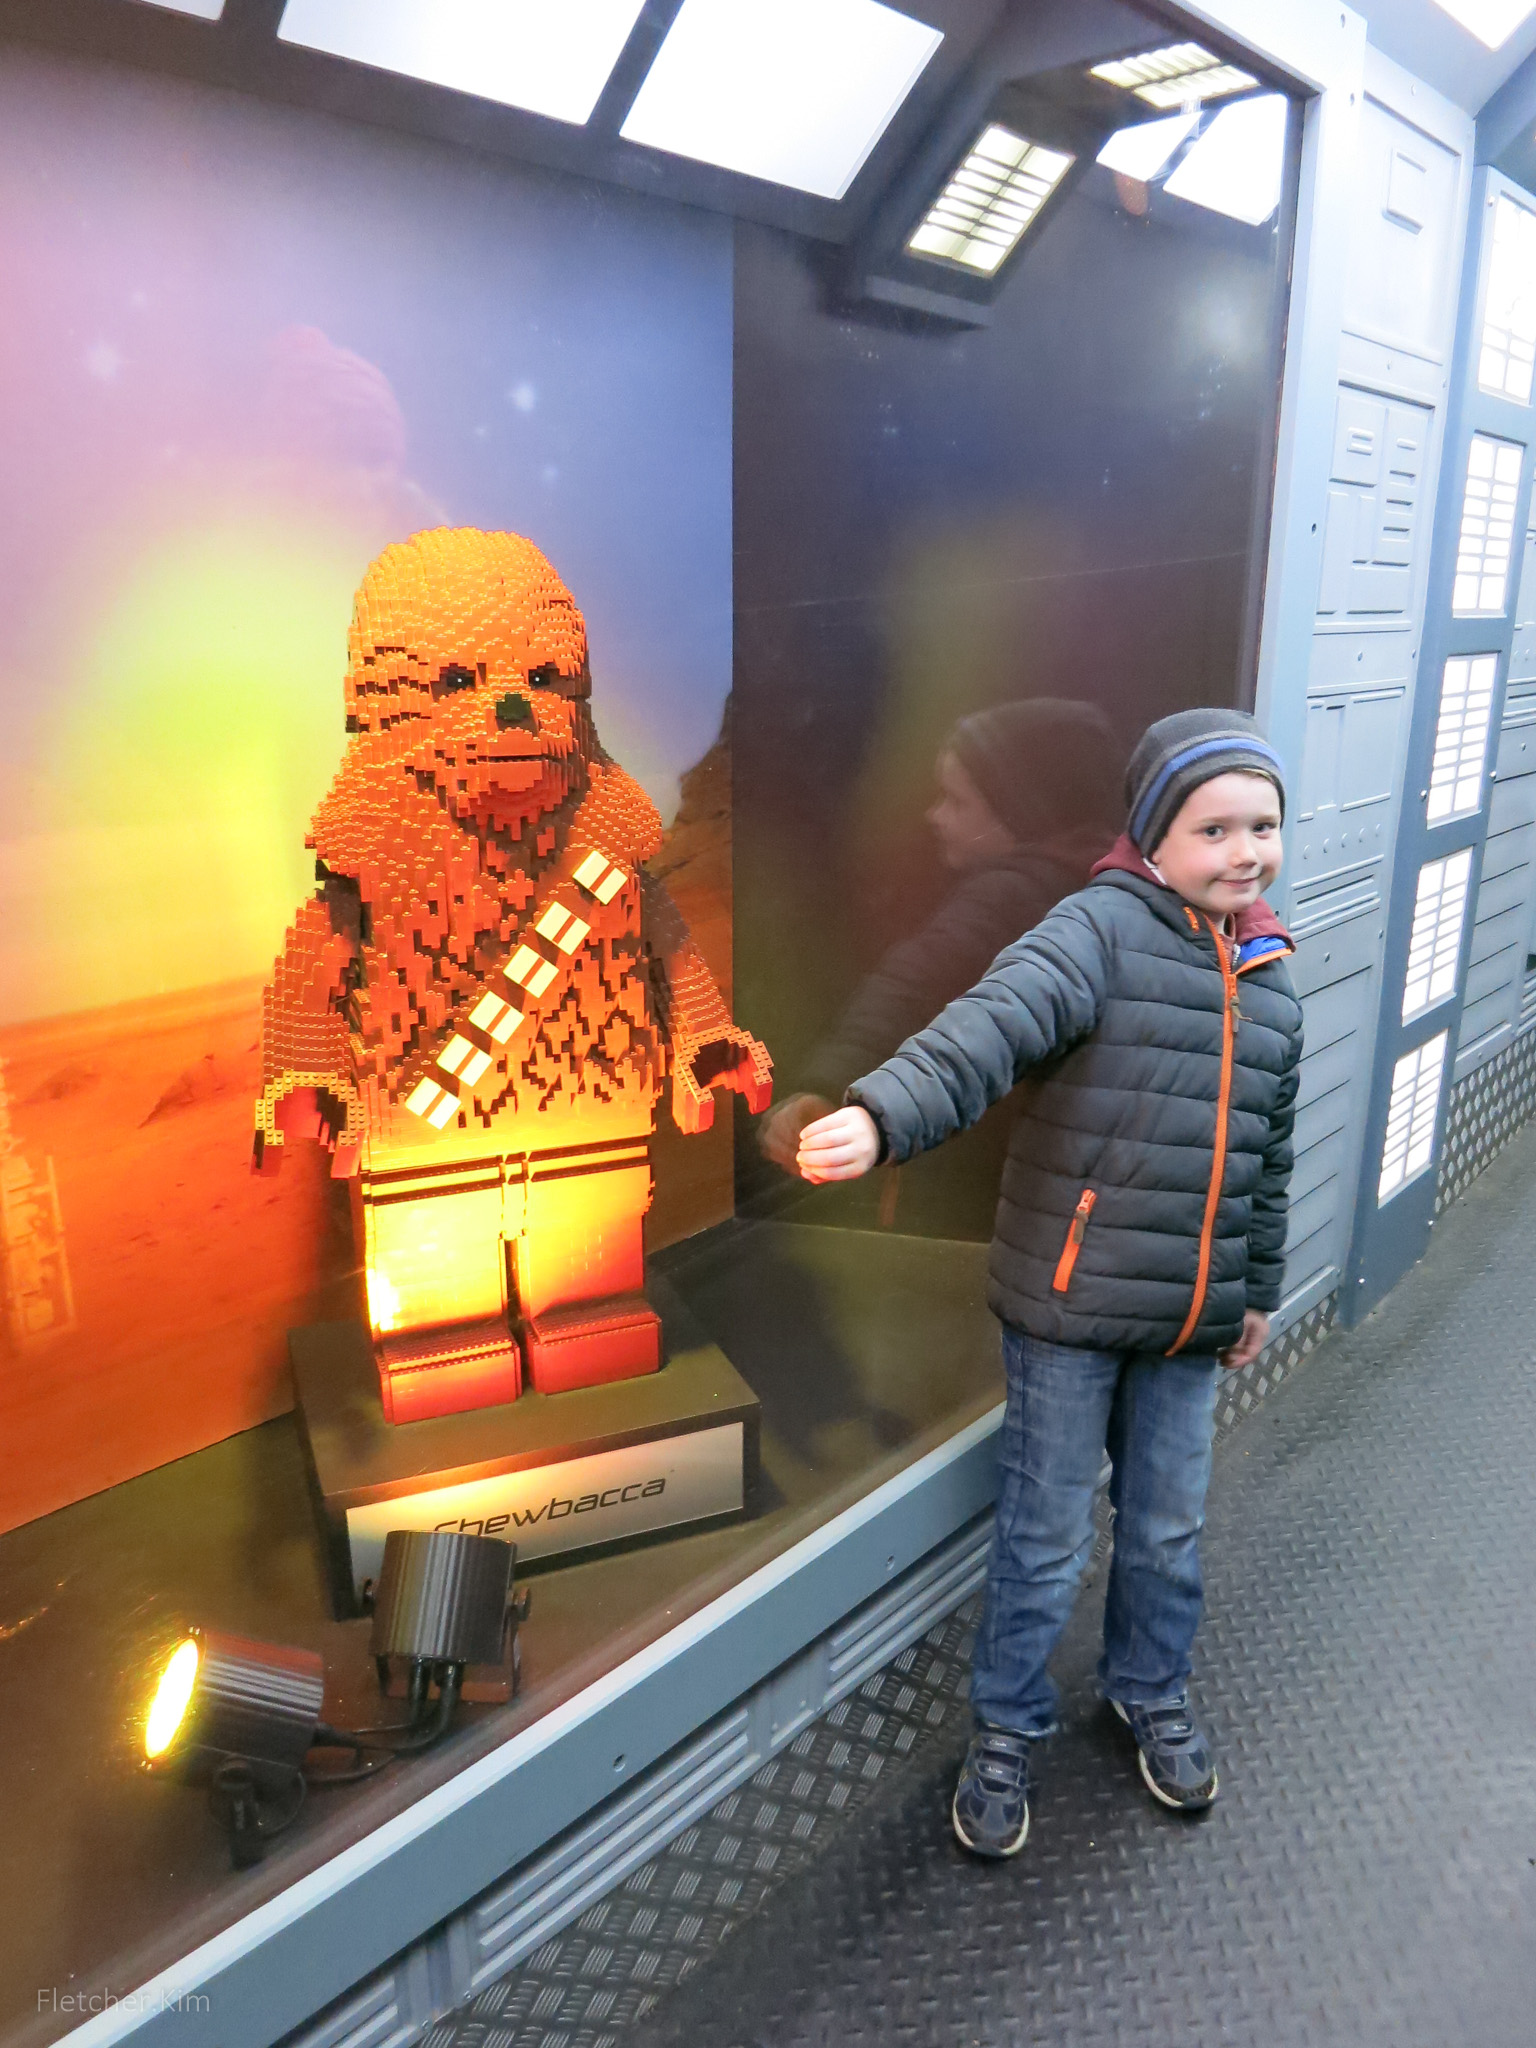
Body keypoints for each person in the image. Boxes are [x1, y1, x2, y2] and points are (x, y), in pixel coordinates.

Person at [795, 708, 1302, 1857]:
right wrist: (881, 1115)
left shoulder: (1272, 975)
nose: (1244, 852)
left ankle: (1149, 1690)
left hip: (1187, 1317)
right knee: (1046, 1533)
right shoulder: (1093, 929)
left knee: (1166, 1529)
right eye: (1214, 827)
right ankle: (1007, 1727)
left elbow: (1265, 1159)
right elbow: (989, 1025)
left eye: (1262, 826)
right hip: (1069, 1307)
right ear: (1153, 834)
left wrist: (1254, 1288)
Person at [759, 699, 1120, 1230]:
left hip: (970, 1194)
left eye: (956, 800)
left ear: (1021, 810)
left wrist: (830, 1086)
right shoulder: (1110, 889)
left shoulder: (1009, 896)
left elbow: (909, 988)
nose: (935, 815)